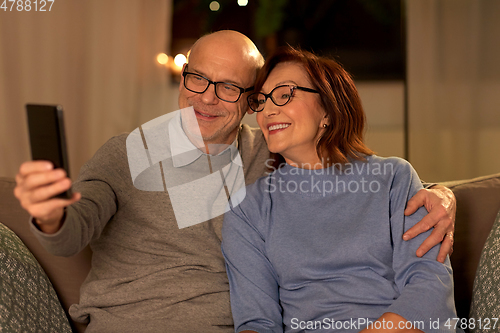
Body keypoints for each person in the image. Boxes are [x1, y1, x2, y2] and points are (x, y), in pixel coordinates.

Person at [14, 31, 455, 332]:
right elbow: (73, 229)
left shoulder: (269, 152)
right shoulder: (129, 152)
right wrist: (52, 216)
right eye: (197, 78)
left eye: (229, 87)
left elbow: (361, 181)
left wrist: (441, 194)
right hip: (133, 323)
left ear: (249, 104)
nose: (206, 97)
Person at [221, 46, 460, 333]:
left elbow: (429, 285)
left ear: (327, 109)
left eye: (284, 95)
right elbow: (257, 322)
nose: (268, 111)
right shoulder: (247, 210)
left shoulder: (394, 177)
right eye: (261, 101)